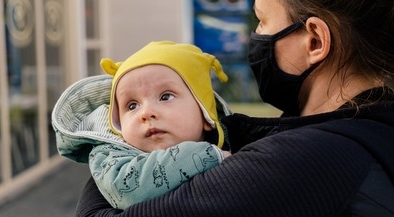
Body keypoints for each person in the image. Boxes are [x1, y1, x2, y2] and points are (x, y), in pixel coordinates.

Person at [73, 0, 394, 216]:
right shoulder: (354, 127)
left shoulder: (309, 159)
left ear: (314, 42)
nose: (255, 36)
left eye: (262, 21)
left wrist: (110, 149)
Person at [52, 41, 232, 210]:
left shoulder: (240, 143)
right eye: (132, 106)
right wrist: (207, 155)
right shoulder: (109, 156)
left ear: (205, 115)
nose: (146, 113)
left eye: (165, 97)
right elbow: (127, 189)